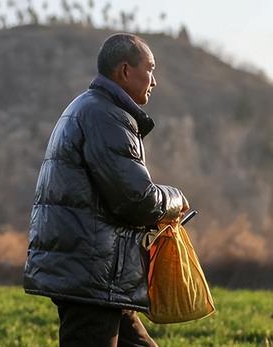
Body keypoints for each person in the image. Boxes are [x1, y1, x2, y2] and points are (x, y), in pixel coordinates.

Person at [23, 33, 189, 346]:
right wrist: (174, 199)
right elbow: (135, 199)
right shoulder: (105, 116)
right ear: (125, 71)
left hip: (100, 274)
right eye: (150, 69)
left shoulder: (93, 108)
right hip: (91, 275)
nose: (154, 81)